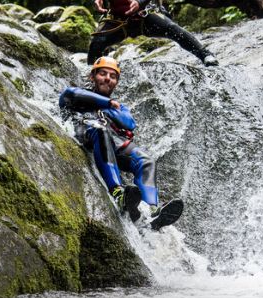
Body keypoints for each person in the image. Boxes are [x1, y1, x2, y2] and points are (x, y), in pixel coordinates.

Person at [59, 56, 183, 230]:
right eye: (103, 74)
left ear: (116, 82)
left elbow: (129, 123)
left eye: (113, 76)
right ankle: (118, 193)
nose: (108, 78)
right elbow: (69, 94)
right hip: (86, 133)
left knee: (146, 161)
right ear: (92, 76)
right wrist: (107, 103)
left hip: (112, 142)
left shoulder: (120, 107)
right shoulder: (78, 94)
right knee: (100, 130)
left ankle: (152, 211)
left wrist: (109, 108)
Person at [88, 0, 218, 67]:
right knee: (96, 44)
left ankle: (205, 55)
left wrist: (139, 2)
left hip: (146, 15)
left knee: (173, 29)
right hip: (118, 19)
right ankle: (93, 73)